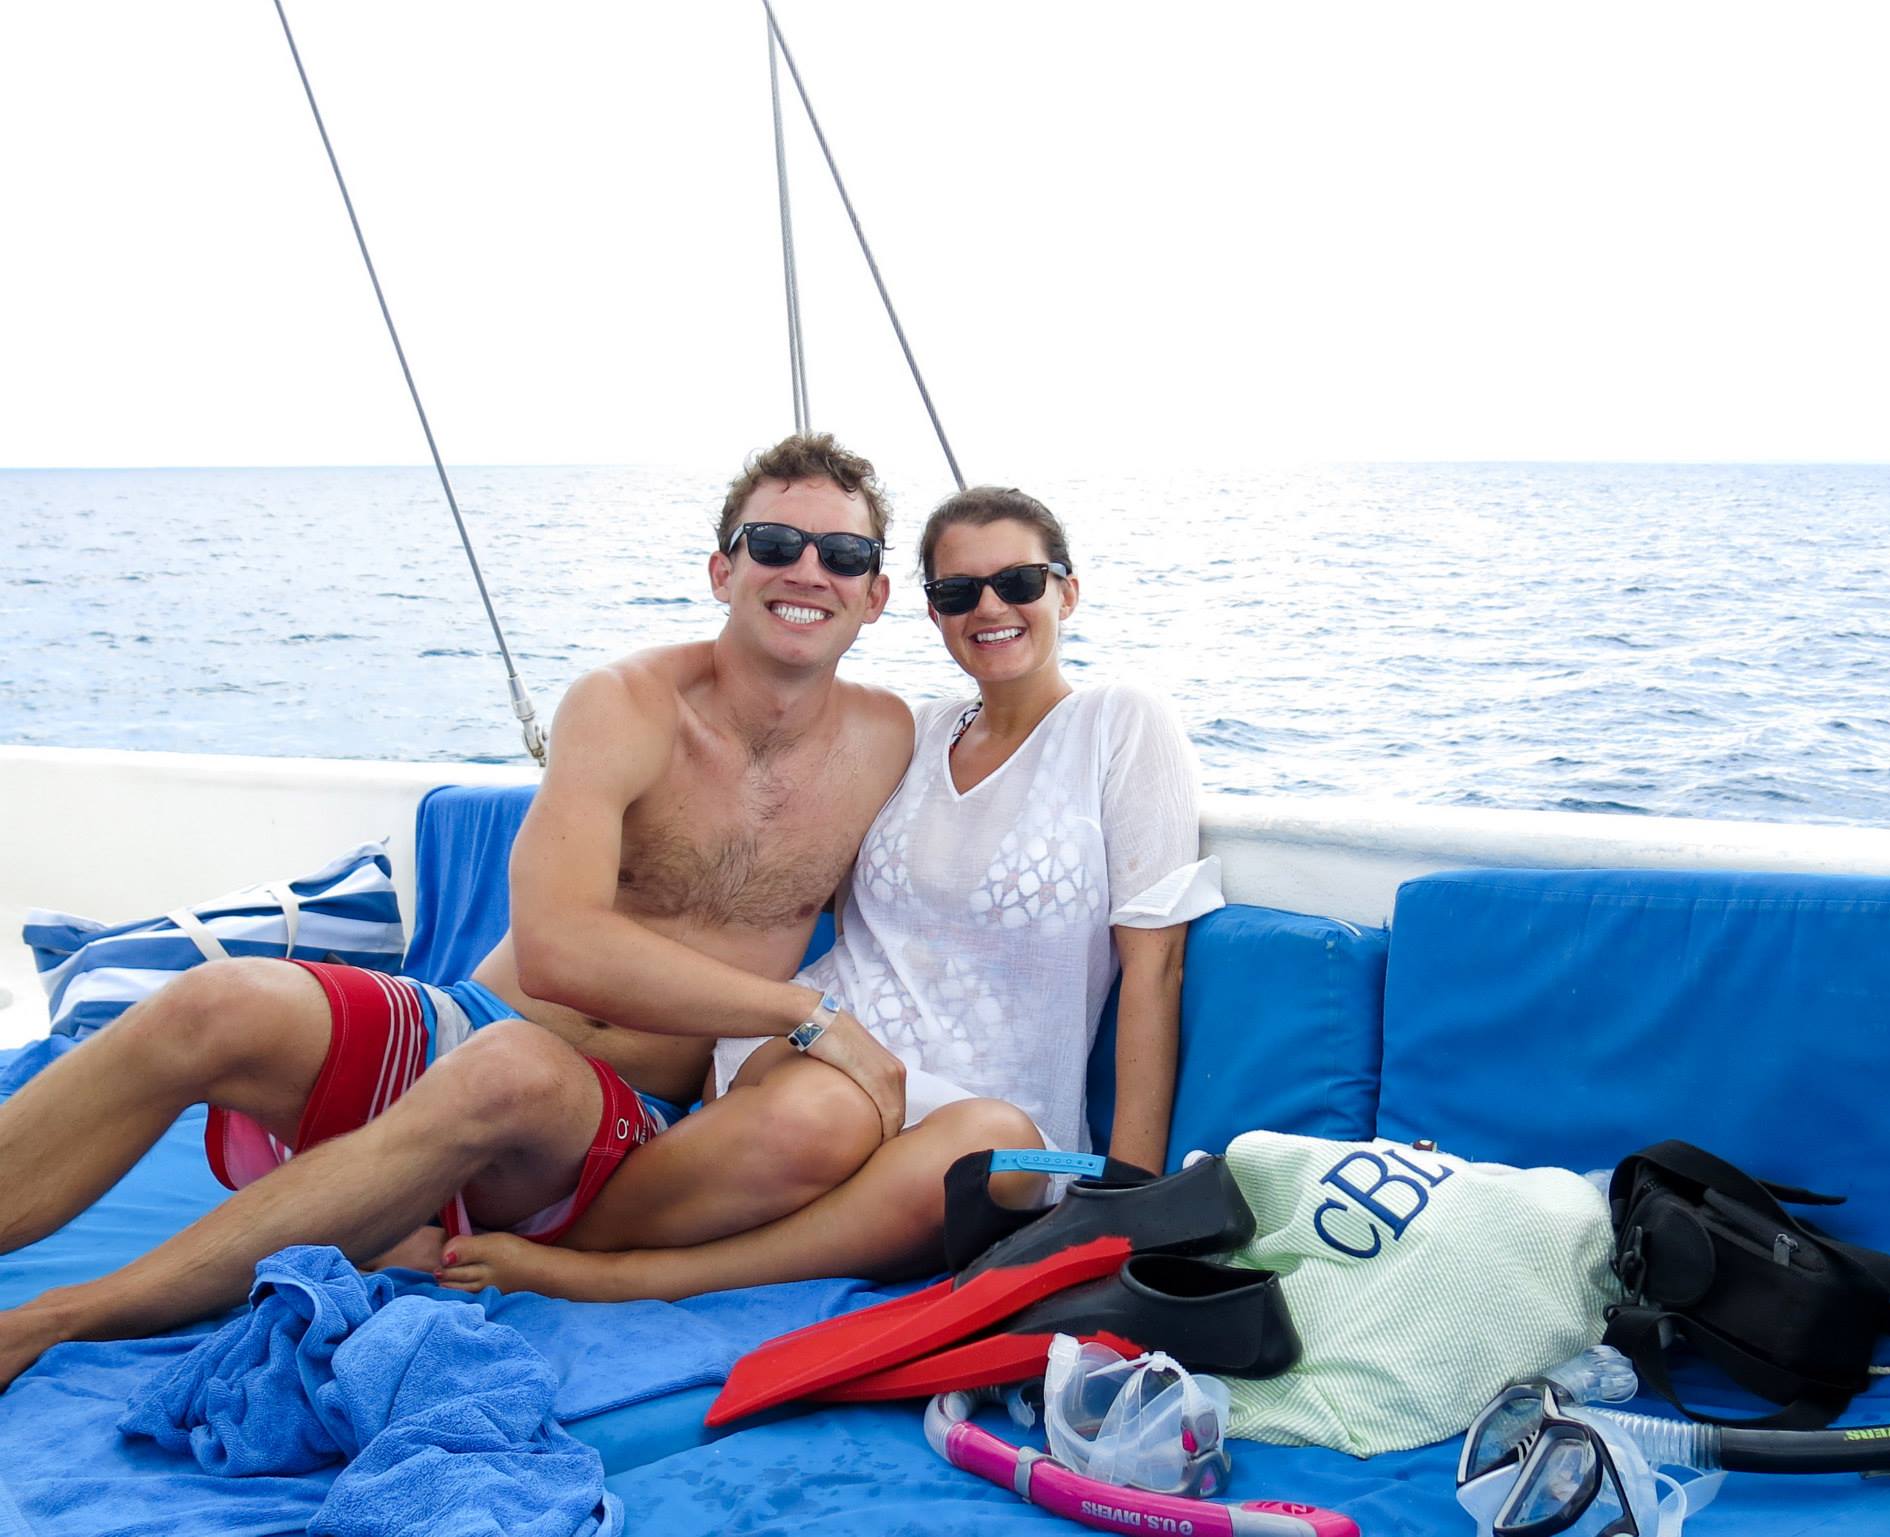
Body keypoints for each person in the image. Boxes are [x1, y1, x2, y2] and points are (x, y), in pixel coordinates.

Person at [0, 432, 1018, 1393]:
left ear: (876, 595)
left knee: (513, 1070)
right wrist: (802, 1013)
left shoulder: (891, 740)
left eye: (843, 554)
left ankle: (50, 1321)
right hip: (468, 1025)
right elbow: (557, 947)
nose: (808, 570)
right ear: (723, 570)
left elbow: (1016, 777)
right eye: (774, 543)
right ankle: (389, 1209)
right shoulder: (626, 704)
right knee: (216, 1001)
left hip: (610, 1120)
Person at [433, 485, 1222, 1302]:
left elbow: (1155, 969)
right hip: (824, 1047)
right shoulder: (912, 735)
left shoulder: (1121, 724)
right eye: (958, 591)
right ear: (931, 610)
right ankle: (558, 1244)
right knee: (826, 1108)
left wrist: (1131, 1195)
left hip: (1001, 1109)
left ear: (1067, 590)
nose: (990, 607)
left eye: (1019, 581)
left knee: (993, 1148)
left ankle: (610, 1268)